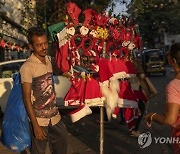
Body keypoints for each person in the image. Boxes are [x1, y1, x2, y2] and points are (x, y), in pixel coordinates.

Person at [20, 27, 68, 154]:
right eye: (39, 45)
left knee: (62, 147)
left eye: (45, 43)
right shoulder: (27, 67)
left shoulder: (49, 60)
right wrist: (35, 126)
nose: (44, 47)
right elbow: (26, 98)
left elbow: (63, 69)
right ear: (31, 46)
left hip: (55, 118)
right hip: (39, 120)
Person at [145, 42, 180, 153]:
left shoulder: (174, 86)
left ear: (173, 61)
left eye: (168, 56)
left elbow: (170, 119)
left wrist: (151, 116)